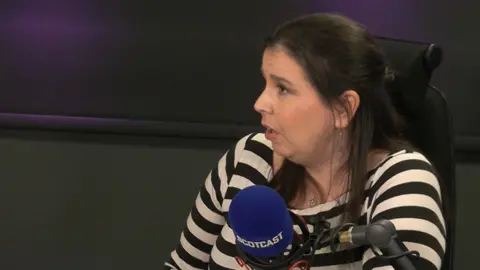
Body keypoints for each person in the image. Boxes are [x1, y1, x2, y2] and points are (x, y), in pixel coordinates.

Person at [165, 13, 447, 270]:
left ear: (343, 109)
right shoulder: (250, 157)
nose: (260, 103)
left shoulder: (402, 180)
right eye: (265, 83)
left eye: (283, 89)